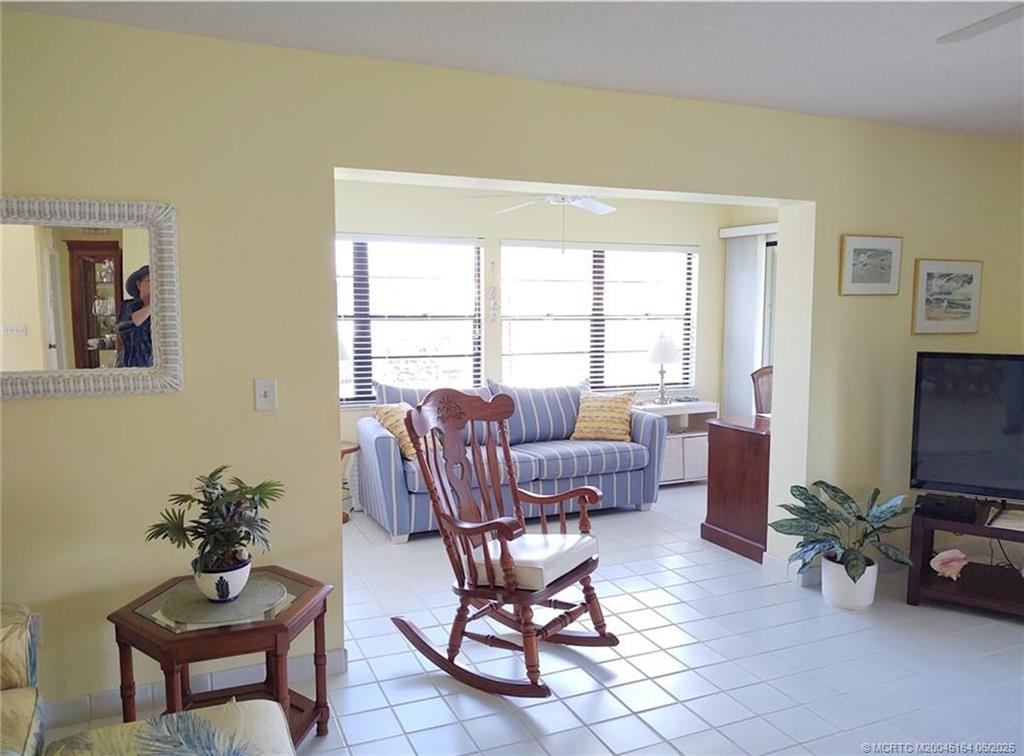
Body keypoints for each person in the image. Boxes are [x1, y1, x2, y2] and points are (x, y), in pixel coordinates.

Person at [115, 265, 153, 367]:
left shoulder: (164, 311)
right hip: (129, 365)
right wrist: (152, 306)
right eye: (149, 281)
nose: (154, 285)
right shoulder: (129, 306)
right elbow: (125, 325)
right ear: (139, 284)